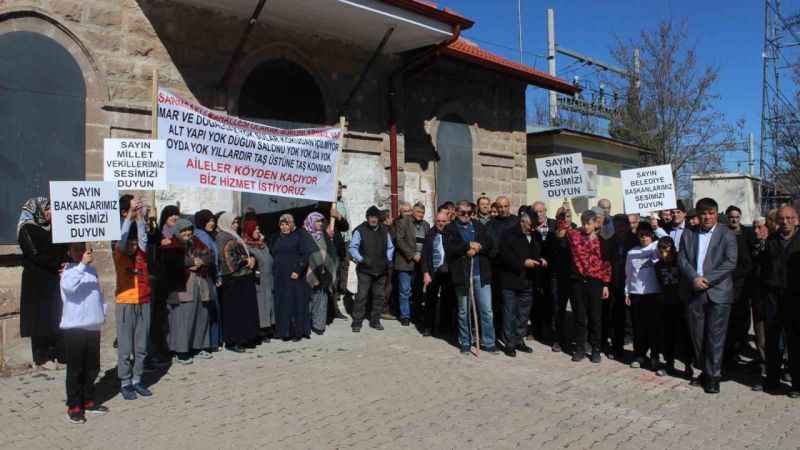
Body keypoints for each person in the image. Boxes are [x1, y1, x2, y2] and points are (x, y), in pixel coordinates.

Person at [679, 198, 738, 394]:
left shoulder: (727, 234)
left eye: (711, 213)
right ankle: (703, 370)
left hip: (718, 293)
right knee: (697, 336)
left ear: (716, 214)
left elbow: (730, 262)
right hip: (695, 292)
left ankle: (713, 376)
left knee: (716, 337)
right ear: (697, 214)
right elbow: (682, 259)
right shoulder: (688, 233)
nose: (707, 217)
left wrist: (707, 279)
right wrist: (694, 278)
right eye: (703, 213)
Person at [59, 243, 108, 424]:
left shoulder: (92, 270)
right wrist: (81, 265)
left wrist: (102, 312)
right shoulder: (68, 270)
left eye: (83, 249)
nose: (81, 253)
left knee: (92, 367)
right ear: (70, 252)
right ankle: (74, 405)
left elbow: (97, 293)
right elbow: (70, 288)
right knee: (75, 369)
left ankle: (88, 399)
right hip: (75, 327)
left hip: (92, 325)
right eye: (76, 250)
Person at [755, 205, 800, 397]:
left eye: (790, 218)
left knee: (796, 342)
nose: (785, 221)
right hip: (773, 298)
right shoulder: (770, 241)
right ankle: (772, 380)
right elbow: (761, 269)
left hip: (796, 298)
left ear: (797, 220)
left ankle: (797, 385)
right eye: (782, 218)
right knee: (773, 341)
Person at [18, 197, 67, 370]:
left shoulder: (55, 229)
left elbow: (62, 250)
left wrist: (65, 263)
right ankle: (42, 357)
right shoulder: (27, 229)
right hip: (36, 280)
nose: (50, 212)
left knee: (55, 315)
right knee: (39, 318)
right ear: (37, 210)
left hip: (53, 278)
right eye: (47, 209)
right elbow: (35, 254)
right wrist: (57, 264)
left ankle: (58, 354)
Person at [444, 201, 498, 355]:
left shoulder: (479, 225)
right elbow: (450, 250)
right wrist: (467, 246)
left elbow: (489, 243)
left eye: (469, 212)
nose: (466, 215)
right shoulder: (450, 228)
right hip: (462, 275)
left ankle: (489, 342)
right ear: (456, 212)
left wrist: (479, 247)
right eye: (462, 212)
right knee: (463, 311)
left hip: (481, 274)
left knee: (487, 310)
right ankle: (465, 343)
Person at [113, 203, 153, 400]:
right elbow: (121, 238)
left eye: (134, 243)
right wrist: (129, 216)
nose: (133, 246)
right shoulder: (120, 255)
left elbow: (143, 237)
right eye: (130, 243)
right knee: (126, 347)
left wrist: (140, 219)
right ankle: (125, 381)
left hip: (143, 301)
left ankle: (137, 379)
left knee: (141, 346)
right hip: (125, 302)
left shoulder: (142, 255)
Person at [498, 212, 547, 357]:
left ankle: (519, 340)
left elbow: (536, 252)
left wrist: (540, 259)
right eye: (531, 225)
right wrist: (522, 263)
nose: (533, 228)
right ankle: (509, 343)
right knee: (509, 314)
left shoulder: (535, 235)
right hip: (511, 280)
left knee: (523, 314)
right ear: (523, 222)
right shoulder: (508, 234)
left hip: (528, 281)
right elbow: (505, 256)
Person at [567, 210, 611, 363]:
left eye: (589, 223)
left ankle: (596, 348)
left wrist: (605, 284)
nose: (585, 226)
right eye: (583, 223)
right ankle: (580, 347)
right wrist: (565, 210)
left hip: (595, 282)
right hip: (578, 281)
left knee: (595, 317)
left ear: (595, 223)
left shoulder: (602, 241)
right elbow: (562, 228)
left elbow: (606, 264)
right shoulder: (574, 236)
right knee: (580, 316)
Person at [624, 223, 664, 375]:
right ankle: (639, 355)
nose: (644, 237)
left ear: (651, 235)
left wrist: (656, 227)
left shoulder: (656, 248)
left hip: (653, 294)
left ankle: (654, 356)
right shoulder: (631, 252)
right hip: (636, 294)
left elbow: (667, 241)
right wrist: (627, 292)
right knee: (638, 327)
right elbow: (628, 274)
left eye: (647, 234)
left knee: (653, 328)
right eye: (641, 234)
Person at [216, 212, 260, 350]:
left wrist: (252, 258)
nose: (235, 225)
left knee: (245, 310)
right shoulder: (223, 237)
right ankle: (233, 341)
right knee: (235, 312)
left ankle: (245, 338)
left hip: (244, 277)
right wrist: (246, 260)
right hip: (233, 280)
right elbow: (227, 259)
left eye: (236, 222)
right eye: (233, 222)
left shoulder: (234, 236)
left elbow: (245, 252)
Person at [349, 206, 395, 332]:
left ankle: (375, 321)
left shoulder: (385, 230)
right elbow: (353, 248)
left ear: (378, 218)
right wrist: (361, 259)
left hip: (381, 269)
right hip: (365, 269)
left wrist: (388, 259)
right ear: (367, 218)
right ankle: (357, 322)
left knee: (379, 296)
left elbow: (390, 247)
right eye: (371, 217)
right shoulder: (360, 230)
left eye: (375, 217)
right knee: (362, 295)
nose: (373, 219)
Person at [270, 214, 313, 341]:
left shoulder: (299, 236)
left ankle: (297, 332)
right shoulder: (276, 238)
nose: (284, 227)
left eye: (287, 224)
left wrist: (298, 270)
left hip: (294, 276)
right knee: (282, 303)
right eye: (282, 224)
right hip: (280, 276)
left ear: (292, 224)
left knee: (295, 303)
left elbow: (306, 254)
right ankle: (283, 331)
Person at [655, 236, 693, 378]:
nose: (664, 253)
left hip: (682, 303)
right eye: (661, 250)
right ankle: (669, 363)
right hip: (666, 304)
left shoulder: (681, 263)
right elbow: (660, 283)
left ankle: (688, 365)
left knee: (685, 336)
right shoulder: (658, 265)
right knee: (668, 336)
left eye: (667, 249)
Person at [723, 205, 753, 369]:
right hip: (726, 283)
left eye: (736, 216)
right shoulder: (723, 233)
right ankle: (729, 352)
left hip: (742, 284)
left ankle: (740, 346)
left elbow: (749, 261)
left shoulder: (746, 233)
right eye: (731, 217)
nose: (734, 219)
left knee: (741, 318)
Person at [604, 214, 637, 359]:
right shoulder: (610, 241)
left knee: (634, 319)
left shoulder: (636, 241)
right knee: (616, 316)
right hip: (615, 284)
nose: (620, 229)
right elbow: (606, 263)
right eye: (617, 226)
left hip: (633, 285)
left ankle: (639, 351)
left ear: (628, 226)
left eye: (622, 225)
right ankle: (617, 348)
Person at [394, 202, 430, 326]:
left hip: (420, 263)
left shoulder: (426, 225)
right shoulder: (403, 222)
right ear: (413, 212)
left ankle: (416, 314)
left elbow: (428, 242)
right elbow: (399, 241)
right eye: (418, 212)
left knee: (418, 290)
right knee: (405, 290)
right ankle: (405, 316)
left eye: (423, 213)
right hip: (406, 261)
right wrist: (412, 254)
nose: (421, 215)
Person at [304, 212, 338, 335]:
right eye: (317, 221)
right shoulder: (305, 235)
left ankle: (318, 325)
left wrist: (330, 265)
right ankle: (307, 323)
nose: (320, 224)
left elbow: (331, 251)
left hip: (324, 270)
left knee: (322, 297)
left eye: (321, 221)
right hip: (310, 270)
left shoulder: (324, 234)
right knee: (309, 298)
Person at [547, 206, 575, 353]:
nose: (565, 219)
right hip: (557, 277)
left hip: (573, 277)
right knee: (558, 309)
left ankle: (576, 339)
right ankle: (558, 338)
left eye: (568, 216)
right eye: (561, 216)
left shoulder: (576, 233)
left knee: (578, 309)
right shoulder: (552, 235)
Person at [194, 210, 222, 350]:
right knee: (211, 309)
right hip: (207, 277)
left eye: (213, 220)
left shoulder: (208, 236)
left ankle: (214, 341)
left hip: (211, 276)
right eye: (208, 220)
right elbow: (209, 259)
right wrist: (216, 275)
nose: (212, 223)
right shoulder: (201, 236)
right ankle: (212, 342)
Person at [242, 218, 275, 340]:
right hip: (258, 281)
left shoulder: (262, 245)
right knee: (261, 305)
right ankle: (261, 330)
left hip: (268, 279)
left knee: (269, 303)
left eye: (258, 228)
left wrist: (261, 242)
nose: (258, 230)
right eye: (255, 229)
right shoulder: (247, 246)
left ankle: (269, 326)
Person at [421, 210, 451, 337]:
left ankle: (444, 328)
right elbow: (424, 256)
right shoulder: (430, 234)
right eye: (438, 221)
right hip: (433, 272)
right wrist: (425, 273)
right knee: (430, 300)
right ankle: (428, 327)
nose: (440, 224)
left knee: (447, 301)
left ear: (447, 221)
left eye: (443, 221)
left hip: (448, 272)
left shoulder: (451, 234)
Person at [749, 216, 770, 376]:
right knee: (760, 335)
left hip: (775, 297)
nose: (756, 231)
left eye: (760, 227)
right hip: (757, 298)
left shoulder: (774, 245)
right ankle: (764, 366)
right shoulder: (752, 246)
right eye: (754, 227)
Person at [331, 183, 351, 321]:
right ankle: (336, 292)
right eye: (336, 188)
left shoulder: (343, 203)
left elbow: (346, 223)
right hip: (336, 241)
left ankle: (342, 289)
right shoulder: (330, 204)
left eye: (340, 189)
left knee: (345, 265)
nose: (339, 191)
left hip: (345, 240)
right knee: (335, 271)